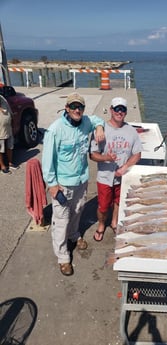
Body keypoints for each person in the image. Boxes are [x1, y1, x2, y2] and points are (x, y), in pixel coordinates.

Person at [42, 92, 105, 276]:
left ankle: (74, 235)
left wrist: (99, 127)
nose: (77, 110)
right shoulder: (55, 130)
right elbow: (47, 162)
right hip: (63, 184)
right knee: (61, 220)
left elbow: (96, 119)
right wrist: (52, 185)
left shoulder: (86, 121)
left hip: (81, 180)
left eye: (80, 107)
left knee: (78, 210)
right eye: (74, 106)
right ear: (67, 108)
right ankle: (63, 257)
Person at [90, 97, 142, 241]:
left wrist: (125, 167)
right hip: (105, 177)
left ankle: (114, 223)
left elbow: (137, 154)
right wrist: (106, 157)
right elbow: (93, 155)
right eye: (117, 109)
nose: (120, 112)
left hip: (122, 176)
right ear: (111, 110)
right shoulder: (101, 130)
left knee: (119, 202)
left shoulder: (131, 131)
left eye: (123, 109)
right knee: (103, 206)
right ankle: (101, 225)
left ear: (125, 112)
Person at [0, 96, 20, 174]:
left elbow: (9, 111)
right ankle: (2, 166)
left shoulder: (2, 98)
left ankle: (10, 163)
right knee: (1, 148)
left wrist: (12, 120)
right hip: (0, 130)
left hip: (8, 128)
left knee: (10, 146)